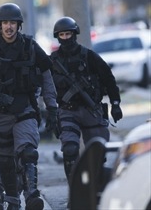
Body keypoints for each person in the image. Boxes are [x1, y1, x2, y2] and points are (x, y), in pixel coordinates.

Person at [0, 3, 58, 210]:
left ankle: (32, 194)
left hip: (24, 109)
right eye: (5, 23)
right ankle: (12, 200)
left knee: (28, 152)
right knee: (4, 160)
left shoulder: (30, 46)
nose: (9, 27)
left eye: (13, 23)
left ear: (19, 25)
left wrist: (52, 107)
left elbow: (47, 76)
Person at [50, 16, 123, 190]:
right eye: (62, 35)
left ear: (75, 34)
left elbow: (108, 79)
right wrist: (50, 114)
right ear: (57, 37)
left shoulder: (89, 56)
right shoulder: (52, 61)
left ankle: (96, 188)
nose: (66, 38)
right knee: (69, 151)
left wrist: (115, 103)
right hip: (67, 111)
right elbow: (43, 86)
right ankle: (75, 192)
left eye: (68, 34)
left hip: (92, 110)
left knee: (98, 153)